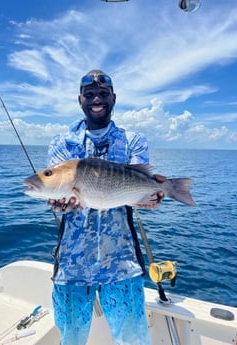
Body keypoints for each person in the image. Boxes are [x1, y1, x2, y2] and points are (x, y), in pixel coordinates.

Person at [47, 69, 165, 345]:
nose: (96, 99)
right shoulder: (62, 143)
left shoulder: (134, 141)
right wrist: (58, 203)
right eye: (90, 95)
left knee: (133, 339)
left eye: (103, 94)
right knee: (71, 339)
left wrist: (152, 196)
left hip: (121, 262)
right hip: (72, 264)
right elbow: (61, 198)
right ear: (80, 100)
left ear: (114, 98)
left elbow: (140, 185)